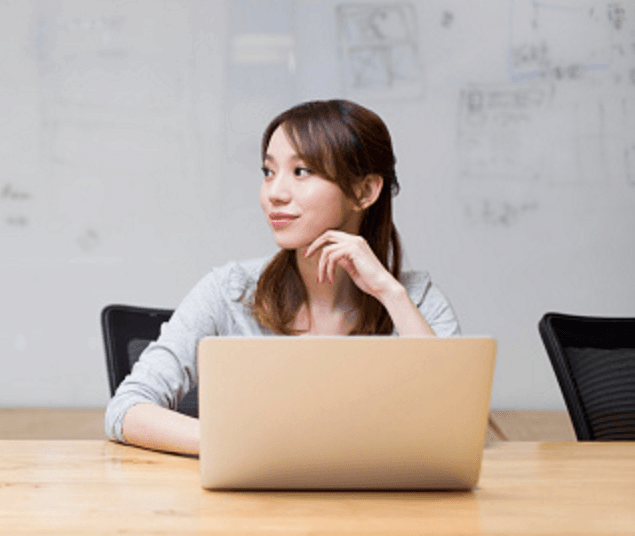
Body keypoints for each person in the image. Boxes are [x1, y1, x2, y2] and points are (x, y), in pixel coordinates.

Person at [104, 99, 460, 456]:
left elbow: (456, 423)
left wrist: (388, 291)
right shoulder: (231, 292)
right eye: (269, 172)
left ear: (364, 191)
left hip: (377, 508)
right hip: (249, 505)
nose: (274, 193)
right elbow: (126, 409)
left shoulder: (413, 298)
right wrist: (246, 444)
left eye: (301, 171)